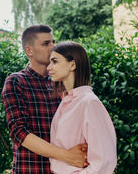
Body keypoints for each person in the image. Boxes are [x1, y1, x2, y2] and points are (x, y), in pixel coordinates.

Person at [2, 25, 88, 174]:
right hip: (31, 169)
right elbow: (19, 132)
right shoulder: (16, 81)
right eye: (46, 43)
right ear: (29, 50)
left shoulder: (60, 83)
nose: (53, 47)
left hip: (65, 170)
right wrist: (67, 156)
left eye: (53, 42)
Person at [47, 41, 117, 173]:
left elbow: (105, 160)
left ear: (72, 64)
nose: (49, 68)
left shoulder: (89, 102)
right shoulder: (66, 102)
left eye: (54, 62)